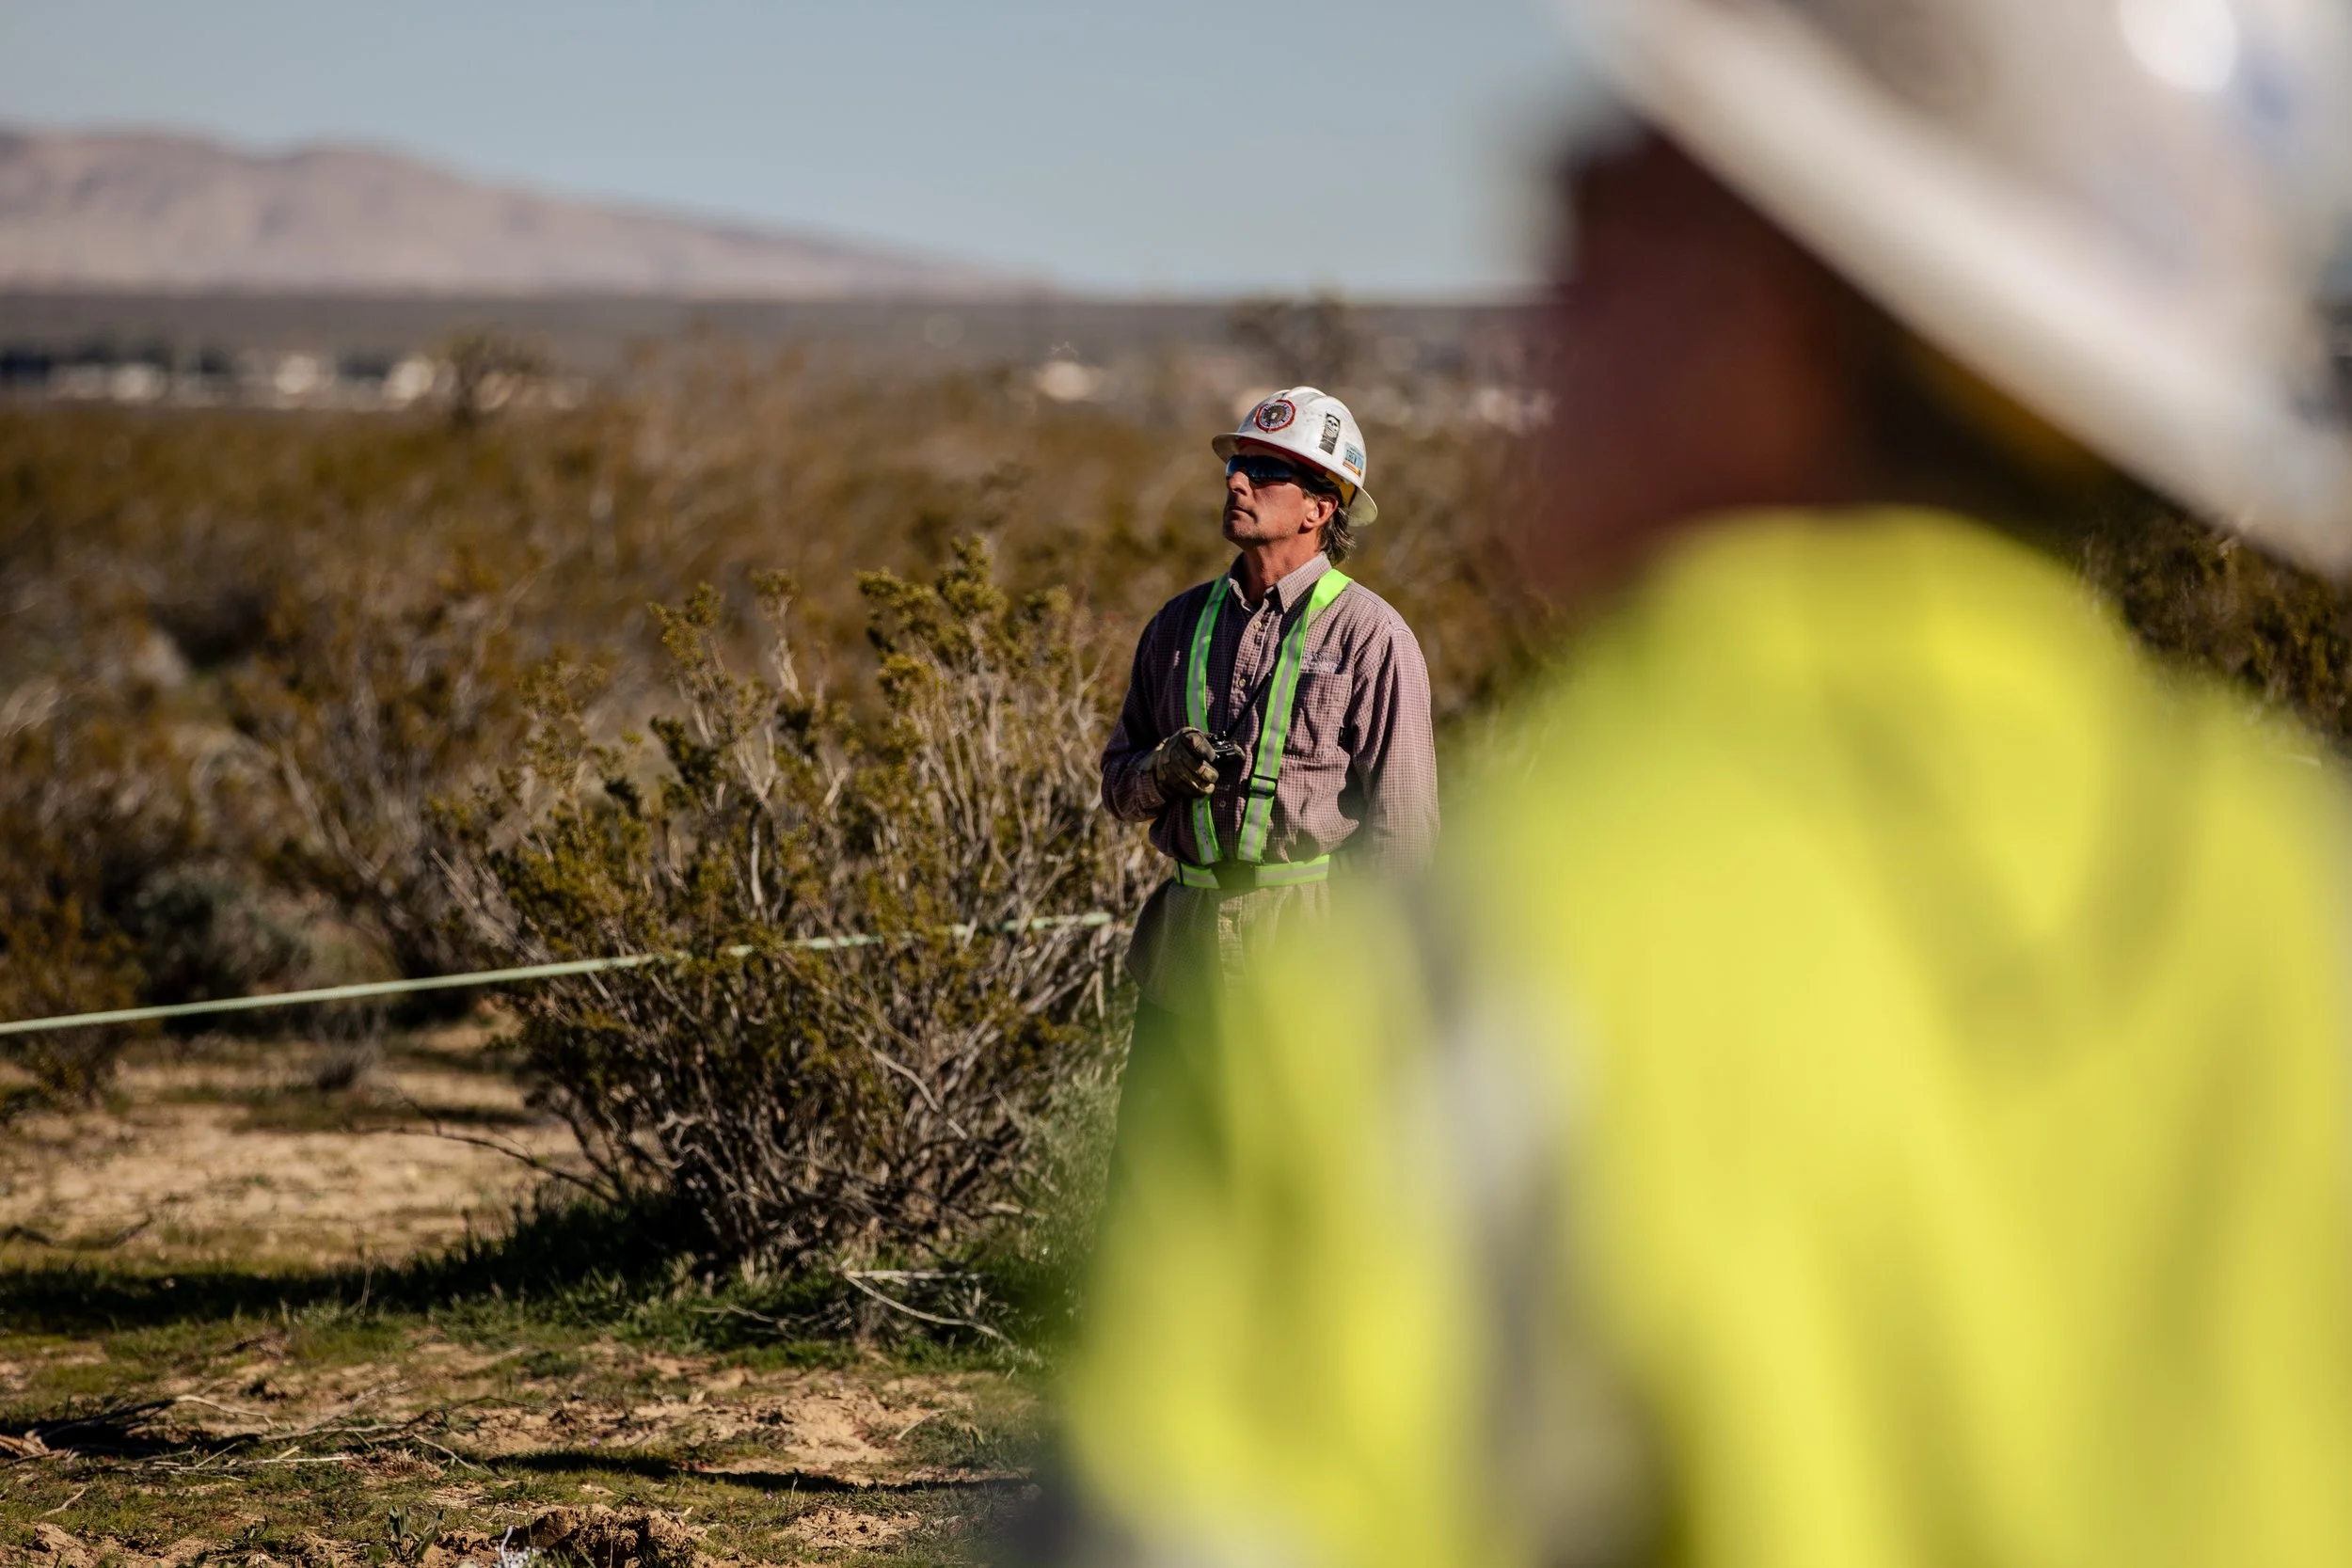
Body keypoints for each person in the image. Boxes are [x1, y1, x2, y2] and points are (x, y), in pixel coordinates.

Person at [1055, 1, 2352, 1565]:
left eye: (1614, 184)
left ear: (1791, 308)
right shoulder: (2303, 905)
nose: (1543, 221)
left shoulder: (1430, 1002)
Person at [1098, 388, 1438, 1074]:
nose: (1237, 480)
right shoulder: (1175, 625)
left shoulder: (1371, 638)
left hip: (1307, 978)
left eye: (1266, 468)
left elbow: (1403, 841)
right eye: (1237, 464)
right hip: (1181, 972)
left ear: (1321, 506)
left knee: (1297, 1182)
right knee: (1157, 1180)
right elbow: (1118, 788)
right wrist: (1160, 772)